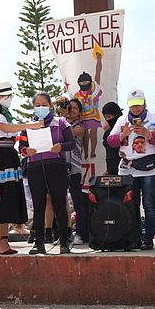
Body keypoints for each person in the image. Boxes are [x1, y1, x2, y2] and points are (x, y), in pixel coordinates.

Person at [0, 82, 43, 254]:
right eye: (8, 96)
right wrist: (30, 125)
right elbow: (4, 128)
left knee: (6, 197)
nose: (10, 99)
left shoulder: (2, 113)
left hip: (6, 155)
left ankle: (2, 239)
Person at [107, 89, 155, 250]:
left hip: (151, 168)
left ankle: (148, 238)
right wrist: (122, 134)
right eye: (132, 105)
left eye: (138, 105)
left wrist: (148, 134)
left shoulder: (154, 119)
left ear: (144, 103)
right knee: (130, 204)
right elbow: (110, 141)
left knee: (149, 204)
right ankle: (133, 238)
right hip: (128, 168)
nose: (135, 109)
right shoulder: (121, 120)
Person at [18, 91, 76, 254]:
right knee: (39, 206)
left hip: (56, 166)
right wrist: (25, 150)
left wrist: (61, 147)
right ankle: (39, 243)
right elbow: (20, 147)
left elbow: (71, 143)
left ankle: (64, 242)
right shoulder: (28, 125)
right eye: (37, 105)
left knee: (59, 204)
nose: (41, 108)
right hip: (35, 167)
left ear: (50, 106)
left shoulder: (61, 122)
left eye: (44, 104)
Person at [66, 99, 88, 245]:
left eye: (75, 108)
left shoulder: (80, 125)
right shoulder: (59, 122)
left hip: (74, 167)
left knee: (77, 202)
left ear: (80, 111)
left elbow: (71, 133)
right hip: (59, 165)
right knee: (60, 202)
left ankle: (80, 232)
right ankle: (63, 232)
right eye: (70, 107)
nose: (72, 110)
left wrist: (62, 119)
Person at [102, 102, 124, 175]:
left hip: (127, 170)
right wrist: (109, 170)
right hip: (112, 171)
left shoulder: (128, 129)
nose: (108, 120)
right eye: (106, 118)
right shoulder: (107, 133)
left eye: (109, 117)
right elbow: (110, 155)